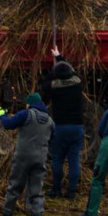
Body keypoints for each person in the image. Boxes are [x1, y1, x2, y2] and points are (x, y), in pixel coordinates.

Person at [0, 92, 55, 216]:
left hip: (23, 158)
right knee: (36, 191)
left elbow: (7, 125)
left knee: (14, 188)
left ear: (29, 104)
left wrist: (1, 113)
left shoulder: (26, 114)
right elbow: (53, 140)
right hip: (40, 159)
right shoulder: (50, 121)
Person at [41, 45, 85, 199]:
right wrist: (60, 58)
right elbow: (71, 71)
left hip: (60, 128)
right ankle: (72, 191)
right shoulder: (77, 83)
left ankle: (56, 189)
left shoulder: (53, 87)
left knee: (57, 159)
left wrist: (52, 72)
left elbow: (45, 84)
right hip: (77, 128)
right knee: (74, 160)